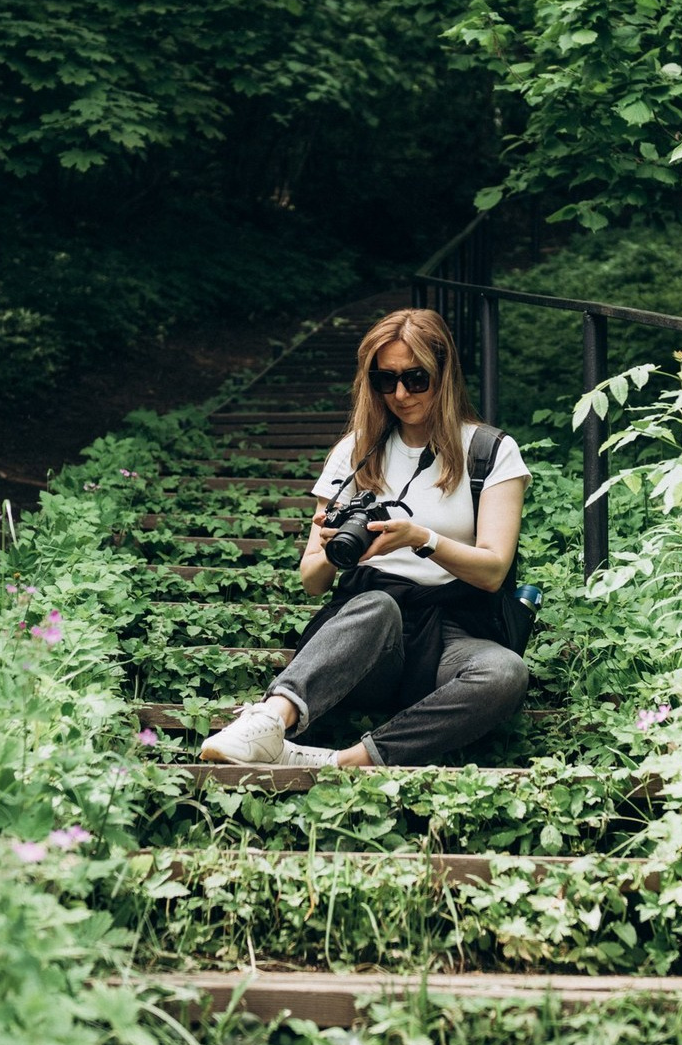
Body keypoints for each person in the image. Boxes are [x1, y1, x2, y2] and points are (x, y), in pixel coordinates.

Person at [198, 307, 531, 768]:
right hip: (366, 639)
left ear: (445, 373)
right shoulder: (356, 450)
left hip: (453, 635)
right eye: (385, 380)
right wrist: (335, 549)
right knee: (377, 605)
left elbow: (493, 571)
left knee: (505, 672)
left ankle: (346, 761)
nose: (400, 394)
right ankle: (269, 721)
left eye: (416, 379)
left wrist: (419, 538)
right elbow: (312, 582)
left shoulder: (490, 451)